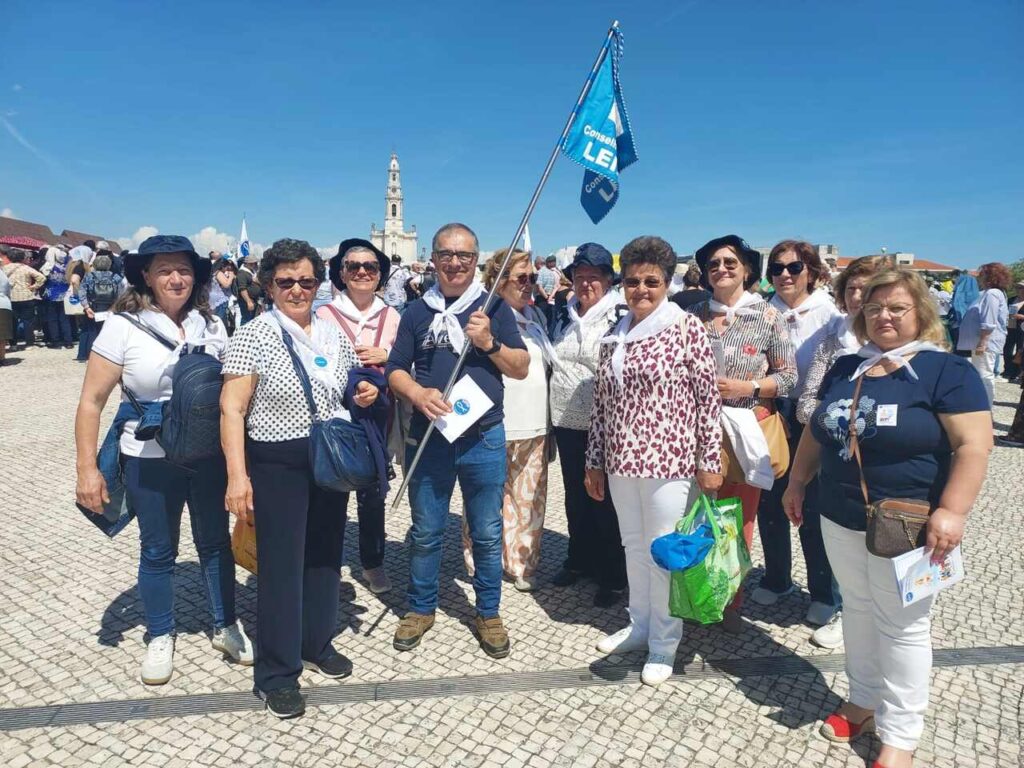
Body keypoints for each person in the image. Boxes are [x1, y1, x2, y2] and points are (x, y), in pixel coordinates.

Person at [783, 268, 991, 768]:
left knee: (903, 627)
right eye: (873, 308)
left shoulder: (946, 372)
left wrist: (953, 510)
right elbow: (818, 427)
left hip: (908, 522)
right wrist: (796, 480)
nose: (883, 316)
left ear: (921, 311)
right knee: (856, 608)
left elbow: (974, 445)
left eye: (896, 307)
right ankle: (863, 699)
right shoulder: (849, 366)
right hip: (839, 515)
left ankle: (901, 730)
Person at [74, 235, 251, 687]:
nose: (176, 278)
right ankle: (159, 633)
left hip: (207, 453)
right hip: (148, 454)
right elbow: (92, 401)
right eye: (165, 270)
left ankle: (224, 623)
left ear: (197, 277)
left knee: (214, 543)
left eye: (185, 270)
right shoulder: (123, 326)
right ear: (147, 277)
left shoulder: (213, 325)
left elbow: (232, 392)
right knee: (158, 550)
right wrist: (87, 469)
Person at [221, 238, 378, 719]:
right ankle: (277, 672)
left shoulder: (331, 331)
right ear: (269, 285)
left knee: (326, 556)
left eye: (306, 281)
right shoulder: (254, 334)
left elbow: (349, 383)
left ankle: (316, 642)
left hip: (328, 458)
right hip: (277, 463)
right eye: (286, 281)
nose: (297, 289)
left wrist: (365, 390)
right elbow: (232, 406)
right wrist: (236, 477)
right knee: (282, 566)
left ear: (318, 283)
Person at [386, 222, 528, 658]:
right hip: (429, 437)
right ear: (433, 259)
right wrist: (416, 392)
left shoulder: (493, 308)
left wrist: (488, 343)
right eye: (446, 254)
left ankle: (488, 612)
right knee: (426, 531)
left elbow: (520, 366)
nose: (454, 263)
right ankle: (421, 607)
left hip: (483, 437)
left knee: (485, 532)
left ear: (476, 261)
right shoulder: (415, 312)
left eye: (464, 256)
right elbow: (394, 369)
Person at [585, 236, 722, 686]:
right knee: (633, 547)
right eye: (632, 281)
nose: (640, 289)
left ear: (667, 282)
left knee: (664, 552)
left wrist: (710, 458)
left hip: (670, 460)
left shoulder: (686, 328)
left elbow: (707, 399)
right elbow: (602, 406)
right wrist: (595, 460)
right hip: (622, 459)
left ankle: (665, 642)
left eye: (651, 281)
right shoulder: (615, 335)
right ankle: (640, 625)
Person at [688, 235, 797, 634]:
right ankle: (694, 590)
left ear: (747, 270)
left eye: (730, 262)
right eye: (713, 263)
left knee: (736, 519)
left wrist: (746, 388)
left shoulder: (769, 317)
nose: (722, 269)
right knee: (694, 513)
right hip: (694, 428)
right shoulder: (693, 316)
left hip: (744, 430)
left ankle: (730, 598)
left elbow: (788, 377)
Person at [794, 254, 892, 648]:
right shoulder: (834, 340)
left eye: (865, 290)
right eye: (851, 288)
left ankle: (873, 615)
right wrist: (829, 421)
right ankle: (836, 602)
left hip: (881, 464)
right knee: (834, 529)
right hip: (831, 451)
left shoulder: (910, 349)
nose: (857, 296)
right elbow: (810, 396)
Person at [755, 239, 842, 626]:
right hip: (773, 414)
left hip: (813, 417)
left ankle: (825, 592)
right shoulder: (762, 310)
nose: (785, 275)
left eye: (793, 268)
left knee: (812, 506)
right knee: (770, 502)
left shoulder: (830, 314)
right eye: (777, 269)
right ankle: (777, 578)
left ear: (811, 270)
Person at [461, 249, 552, 592]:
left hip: (535, 422)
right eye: (522, 278)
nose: (530, 285)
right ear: (499, 282)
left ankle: (521, 564)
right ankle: (480, 560)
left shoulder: (537, 317)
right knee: (486, 497)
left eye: (533, 278)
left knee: (528, 500)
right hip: (495, 421)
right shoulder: (485, 316)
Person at [548, 243, 628, 605]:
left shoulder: (621, 315)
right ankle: (578, 559)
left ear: (609, 281)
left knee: (606, 500)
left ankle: (612, 574)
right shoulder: (562, 314)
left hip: (606, 425)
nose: (585, 284)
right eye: (579, 277)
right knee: (576, 495)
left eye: (593, 277)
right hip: (565, 420)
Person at [318, 238, 399, 595]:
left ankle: (373, 561)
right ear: (341, 273)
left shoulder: (393, 316)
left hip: (378, 417)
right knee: (329, 492)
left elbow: (408, 364)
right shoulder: (323, 315)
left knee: (371, 492)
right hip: (335, 416)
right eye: (354, 267)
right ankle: (327, 563)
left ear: (380, 275)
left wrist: (387, 355)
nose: (363, 272)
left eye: (370, 267)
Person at [956, 262, 1010, 405]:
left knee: (984, 375)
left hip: (985, 342)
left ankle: (984, 408)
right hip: (979, 341)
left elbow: (989, 320)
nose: (979, 278)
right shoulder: (989, 293)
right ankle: (979, 404)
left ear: (989, 276)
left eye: (982, 274)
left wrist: (983, 342)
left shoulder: (992, 294)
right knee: (980, 374)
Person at [76, 253, 121, 361]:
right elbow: (121, 294)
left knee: (88, 331)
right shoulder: (116, 277)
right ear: (109, 265)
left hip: (92, 306)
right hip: (109, 308)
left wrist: (86, 307)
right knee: (108, 332)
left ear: (95, 264)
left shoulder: (89, 276)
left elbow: (82, 292)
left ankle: (84, 355)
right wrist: (114, 307)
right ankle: (106, 356)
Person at [3, 249, 45, 349]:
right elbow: (41, 277)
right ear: (22, 258)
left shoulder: (4, 268)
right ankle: (29, 344)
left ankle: (13, 344)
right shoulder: (26, 268)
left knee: (13, 322)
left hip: (11, 297)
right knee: (28, 321)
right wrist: (34, 286)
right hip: (26, 297)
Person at [40, 247, 74, 348]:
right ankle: (68, 342)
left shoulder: (48, 266)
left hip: (50, 295)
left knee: (52, 319)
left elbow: (42, 278)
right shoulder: (67, 266)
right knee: (65, 319)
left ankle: (56, 342)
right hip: (64, 295)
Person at [209, 259, 238, 334]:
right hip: (219, 300)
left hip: (215, 300)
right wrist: (231, 276)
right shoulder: (218, 273)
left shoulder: (214, 273)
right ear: (222, 266)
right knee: (220, 320)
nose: (227, 270)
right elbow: (226, 284)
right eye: (227, 268)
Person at [1004, 281, 1024, 382]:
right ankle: (1007, 371)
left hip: (1022, 329)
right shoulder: (1012, 299)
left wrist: (1022, 316)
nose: (1020, 290)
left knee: (1020, 351)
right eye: (1019, 287)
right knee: (1007, 350)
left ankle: (1017, 373)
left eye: (1022, 288)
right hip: (1010, 327)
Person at [234, 254, 262, 325]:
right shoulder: (242, 273)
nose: (255, 265)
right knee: (246, 320)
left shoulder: (252, 272)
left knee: (252, 319)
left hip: (254, 300)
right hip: (247, 300)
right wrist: (248, 301)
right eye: (253, 263)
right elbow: (242, 289)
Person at [534, 255, 559, 324]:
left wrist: (546, 297)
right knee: (549, 322)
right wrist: (550, 297)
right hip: (551, 299)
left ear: (538, 264)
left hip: (541, 299)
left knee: (540, 321)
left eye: (535, 264)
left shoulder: (539, 273)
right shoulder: (551, 273)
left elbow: (539, 287)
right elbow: (556, 286)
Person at [0, 263, 11, 364]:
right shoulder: (3, 275)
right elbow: (8, 291)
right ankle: (2, 357)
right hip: (4, 303)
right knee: (2, 335)